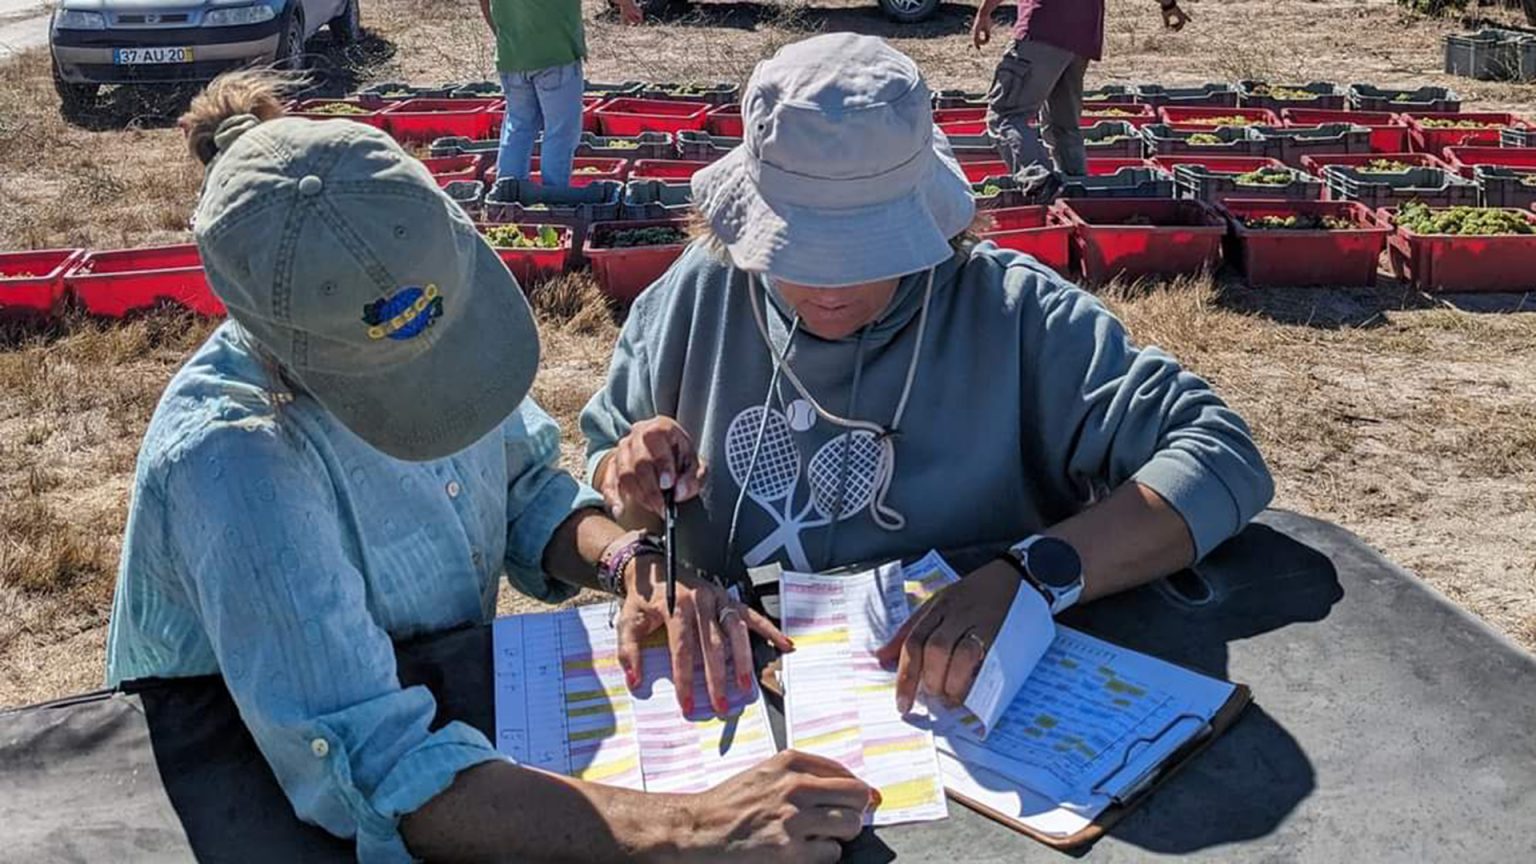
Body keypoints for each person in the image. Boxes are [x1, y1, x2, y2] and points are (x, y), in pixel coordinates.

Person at [105, 71, 874, 864]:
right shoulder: (232, 460)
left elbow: (522, 488)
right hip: (253, 796)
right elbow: (378, 770)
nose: (431, 380)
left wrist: (629, 564)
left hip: (438, 723)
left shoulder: (414, 313)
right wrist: (694, 828)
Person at [581, 33, 1273, 716]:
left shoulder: (1013, 312)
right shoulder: (699, 291)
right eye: (796, 253)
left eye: (863, 255)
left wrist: (1033, 575)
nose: (828, 289)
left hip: (946, 709)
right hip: (733, 704)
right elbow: (606, 477)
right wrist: (628, 475)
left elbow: (1220, 457)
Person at [972, 0, 1192, 176]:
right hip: (1081, 39)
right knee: (1063, 125)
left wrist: (984, 13)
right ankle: (1076, 189)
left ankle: (1038, 180)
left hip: (1041, 31)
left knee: (1006, 116)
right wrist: (1168, 5)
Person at [477, 0, 643, 188]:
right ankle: (554, 194)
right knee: (560, 132)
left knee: (518, 127)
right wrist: (627, 4)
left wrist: (503, 36)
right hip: (555, 56)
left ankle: (507, 191)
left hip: (512, 57)